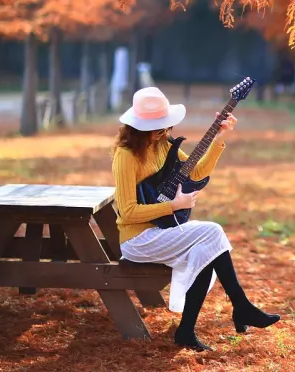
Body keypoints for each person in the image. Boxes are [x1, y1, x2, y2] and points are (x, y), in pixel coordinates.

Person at [112, 86, 280, 351]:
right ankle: (241, 306)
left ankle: (187, 331)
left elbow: (196, 170)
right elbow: (128, 211)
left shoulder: (164, 145)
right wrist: (173, 206)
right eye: (156, 127)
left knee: (206, 251)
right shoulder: (126, 156)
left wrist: (219, 139)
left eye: (165, 126)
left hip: (162, 232)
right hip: (138, 240)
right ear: (138, 127)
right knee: (212, 233)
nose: (163, 132)